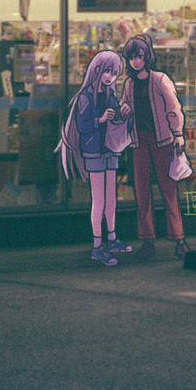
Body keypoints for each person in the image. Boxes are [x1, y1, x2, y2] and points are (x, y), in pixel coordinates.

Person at [56, 50, 134, 266]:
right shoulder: (85, 97)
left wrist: (122, 113)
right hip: (93, 151)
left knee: (111, 197)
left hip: (109, 149)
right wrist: (100, 119)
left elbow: (116, 117)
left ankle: (112, 238)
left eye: (114, 73)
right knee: (98, 199)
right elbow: (82, 127)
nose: (110, 77)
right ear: (97, 70)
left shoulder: (109, 94)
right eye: (107, 71)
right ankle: (97, 246)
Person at [119, 34, 189, 260]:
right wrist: (124, 110)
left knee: (169, 190)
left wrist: (178, 133)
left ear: (147, 57)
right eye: (131, 57)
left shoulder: (160, 80)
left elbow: (173, 107)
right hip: (139, 141)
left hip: (163, 140)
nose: (135, 62)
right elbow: (123, 107)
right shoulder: (129, 85)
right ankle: (148, 239)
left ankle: (179, 239)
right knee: (142, 192)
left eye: (139, 56)